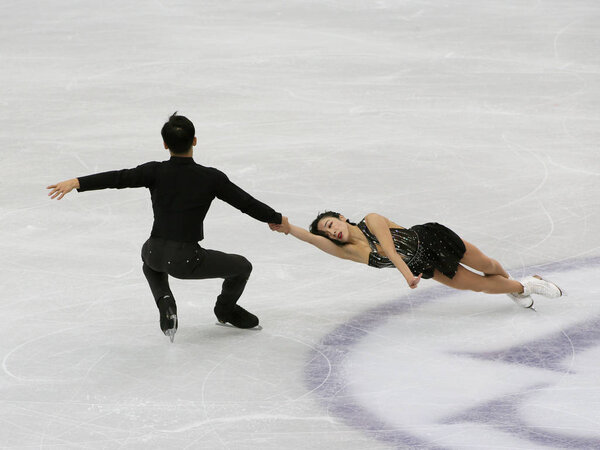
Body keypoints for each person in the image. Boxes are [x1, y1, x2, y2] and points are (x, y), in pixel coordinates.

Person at [47, 113, 283, 341]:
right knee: (242, 267)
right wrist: (275, 218)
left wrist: (78, 182)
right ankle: (226, 310)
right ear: (195, 141)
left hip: (153, 251)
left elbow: (118, 178)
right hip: (186, 259)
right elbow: (246, 203)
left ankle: (165, 300)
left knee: (151, 265)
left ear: (164, 144)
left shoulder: (155, 171)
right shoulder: (211, 178)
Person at [269, 211, 563, 308]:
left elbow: (392, 252)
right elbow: (309, 239)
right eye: (328, 233)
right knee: (479, 286)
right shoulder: (347, 252)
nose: (332, 231)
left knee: (487, 265)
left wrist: (406, 277)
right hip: (425, 266)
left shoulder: (371, 220)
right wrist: (286, 226)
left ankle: (511, 282)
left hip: (433, 239)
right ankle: (525, 285)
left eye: (331, 223)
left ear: (342, 218)